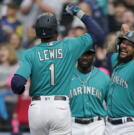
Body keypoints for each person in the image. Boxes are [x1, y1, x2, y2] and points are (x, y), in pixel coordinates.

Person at [11, 3, 105, 135]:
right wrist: (78, 13)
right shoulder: (69, 46)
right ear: (56, 31)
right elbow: (99, 35)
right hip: (59, 107)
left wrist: (20, 89)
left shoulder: (30, 53)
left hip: (37, 107)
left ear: (38, 32)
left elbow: (17, 84)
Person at [69, 49, 110, 135]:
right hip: (72, 124)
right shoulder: (67, 77)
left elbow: (111, 104)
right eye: (82, 54)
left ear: (94, 56)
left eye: (88, 54)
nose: (85, 57)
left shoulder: (104, 77)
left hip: (97, 125)